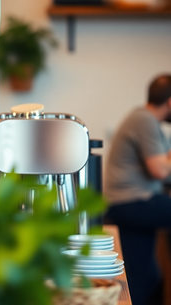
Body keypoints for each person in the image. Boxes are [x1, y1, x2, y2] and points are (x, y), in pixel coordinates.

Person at [104, 74, 171, 305]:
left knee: (145, 277)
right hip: (131, 202)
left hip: (131, 203)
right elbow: (160, 170)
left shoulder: (149, 122)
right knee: (143, 277)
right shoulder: (145, 120)